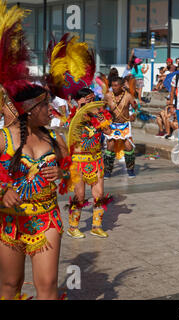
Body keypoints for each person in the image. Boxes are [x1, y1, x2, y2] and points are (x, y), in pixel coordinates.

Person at [0, 84, 69, 299]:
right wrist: (2, 191)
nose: (51, 109)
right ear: (29, 108)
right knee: (11, 283)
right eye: (46, 104)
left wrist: (62, 173)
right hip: (10, 222)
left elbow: (71, 169)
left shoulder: (53, 138)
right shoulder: (4, 138)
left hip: (46, 218)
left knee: (48, 284)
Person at [65, 88, 113, 240]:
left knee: (98, 195)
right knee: (79, 195)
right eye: (87, 99)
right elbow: (71, 133)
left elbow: (108, 131)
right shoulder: (73, 116)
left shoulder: (99, 115)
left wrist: (100, 118)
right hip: (78, 161)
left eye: (92, 99)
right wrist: (81, 111)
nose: (90, 102)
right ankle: (73, 228)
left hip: (96, 159)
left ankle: (96, 227)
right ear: (79, 100)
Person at [103, 76, 138, 178]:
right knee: (110, 146)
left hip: (125, 124)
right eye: (112, 86)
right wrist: (104, 123)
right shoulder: (108, 96)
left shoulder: (128, 96)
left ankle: (130, 170)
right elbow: (101, 110)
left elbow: (137, 109)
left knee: (128, 146)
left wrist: (134, 115)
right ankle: (108, 171)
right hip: (112, 125)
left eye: (115, 86)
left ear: (122, 86)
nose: (113, 88)